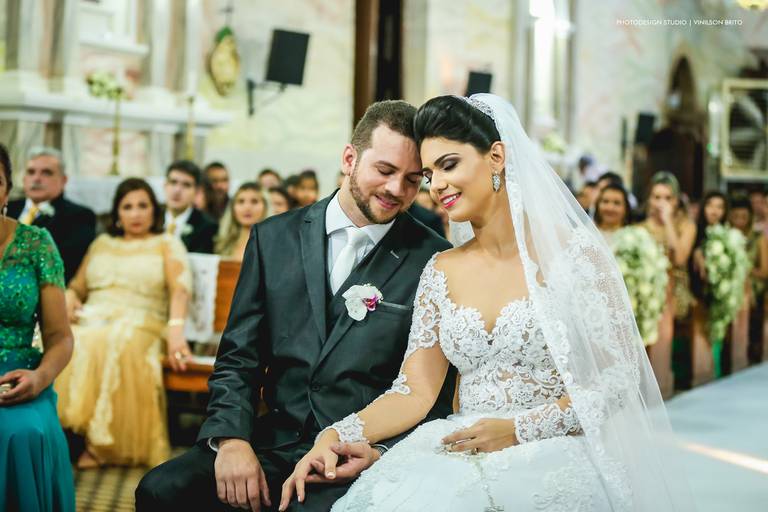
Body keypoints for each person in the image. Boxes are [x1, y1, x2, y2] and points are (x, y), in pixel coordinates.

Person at [281, 95, 693, 511]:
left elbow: (618, 379)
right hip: (462, 446)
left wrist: (519, 429)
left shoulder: (575, 255)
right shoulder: (440, 269)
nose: (436, 185)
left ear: (496, 156)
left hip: (555, 451)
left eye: (449, 165)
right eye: (429, 174)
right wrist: (337, 434)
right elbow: (414, 391)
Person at [136, 100, 455, 511]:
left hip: (354, 458)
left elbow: (435, 394)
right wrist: (231, 439)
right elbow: (238, 357)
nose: (397, 189)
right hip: (272, 441)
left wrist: (379, 451)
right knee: (161, 490)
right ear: (349, 158)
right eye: (385, 170)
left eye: (413, 180)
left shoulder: (434, 259)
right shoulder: (273, 239)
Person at [55, 178, 192, 468]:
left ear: (154, 210)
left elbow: (180, 290)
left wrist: (176, 330)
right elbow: (78, 285)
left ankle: (101, 443)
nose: (136, 213)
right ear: (117, 213)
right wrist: (69, 296)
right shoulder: (102, 243)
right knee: (63, 338)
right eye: (127, 207)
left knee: (114, 338)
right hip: (94, 316)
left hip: (142, 320)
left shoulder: (166, 243)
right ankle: (60, 435)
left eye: (143, 205)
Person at [0, 144, 75, 512]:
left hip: (19, 377)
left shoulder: (36, 244)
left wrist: (40, 378)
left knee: (23, 433)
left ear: (6, 192)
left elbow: (60, 337)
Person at [6, 146, 96, 283]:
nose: (36, 178)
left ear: (63, 180)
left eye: (46, 173)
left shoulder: (80, 216)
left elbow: (63, 266)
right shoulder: (7, 208)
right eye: (31, 172)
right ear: (24, 178)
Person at [729, 195, 768, 363]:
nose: (740, 222)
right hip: (730, 292)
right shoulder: (725, 236)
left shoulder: (758, 238)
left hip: (754, 294)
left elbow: (765, 271)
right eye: (736, 217)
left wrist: (744, 268)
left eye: (744, 217)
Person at [165, 160, 219, 254]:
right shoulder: (151, 217)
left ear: (196, 192)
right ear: (165, 185)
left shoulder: (207, 227)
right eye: (173, 182)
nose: (177, 190)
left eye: (186, 185)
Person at [215, 182, 268, 261]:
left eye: (254, 201)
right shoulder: (222, 242)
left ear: (266, 207)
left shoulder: (273, 244)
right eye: (241, 201)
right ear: (232, 208)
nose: (247, 207)